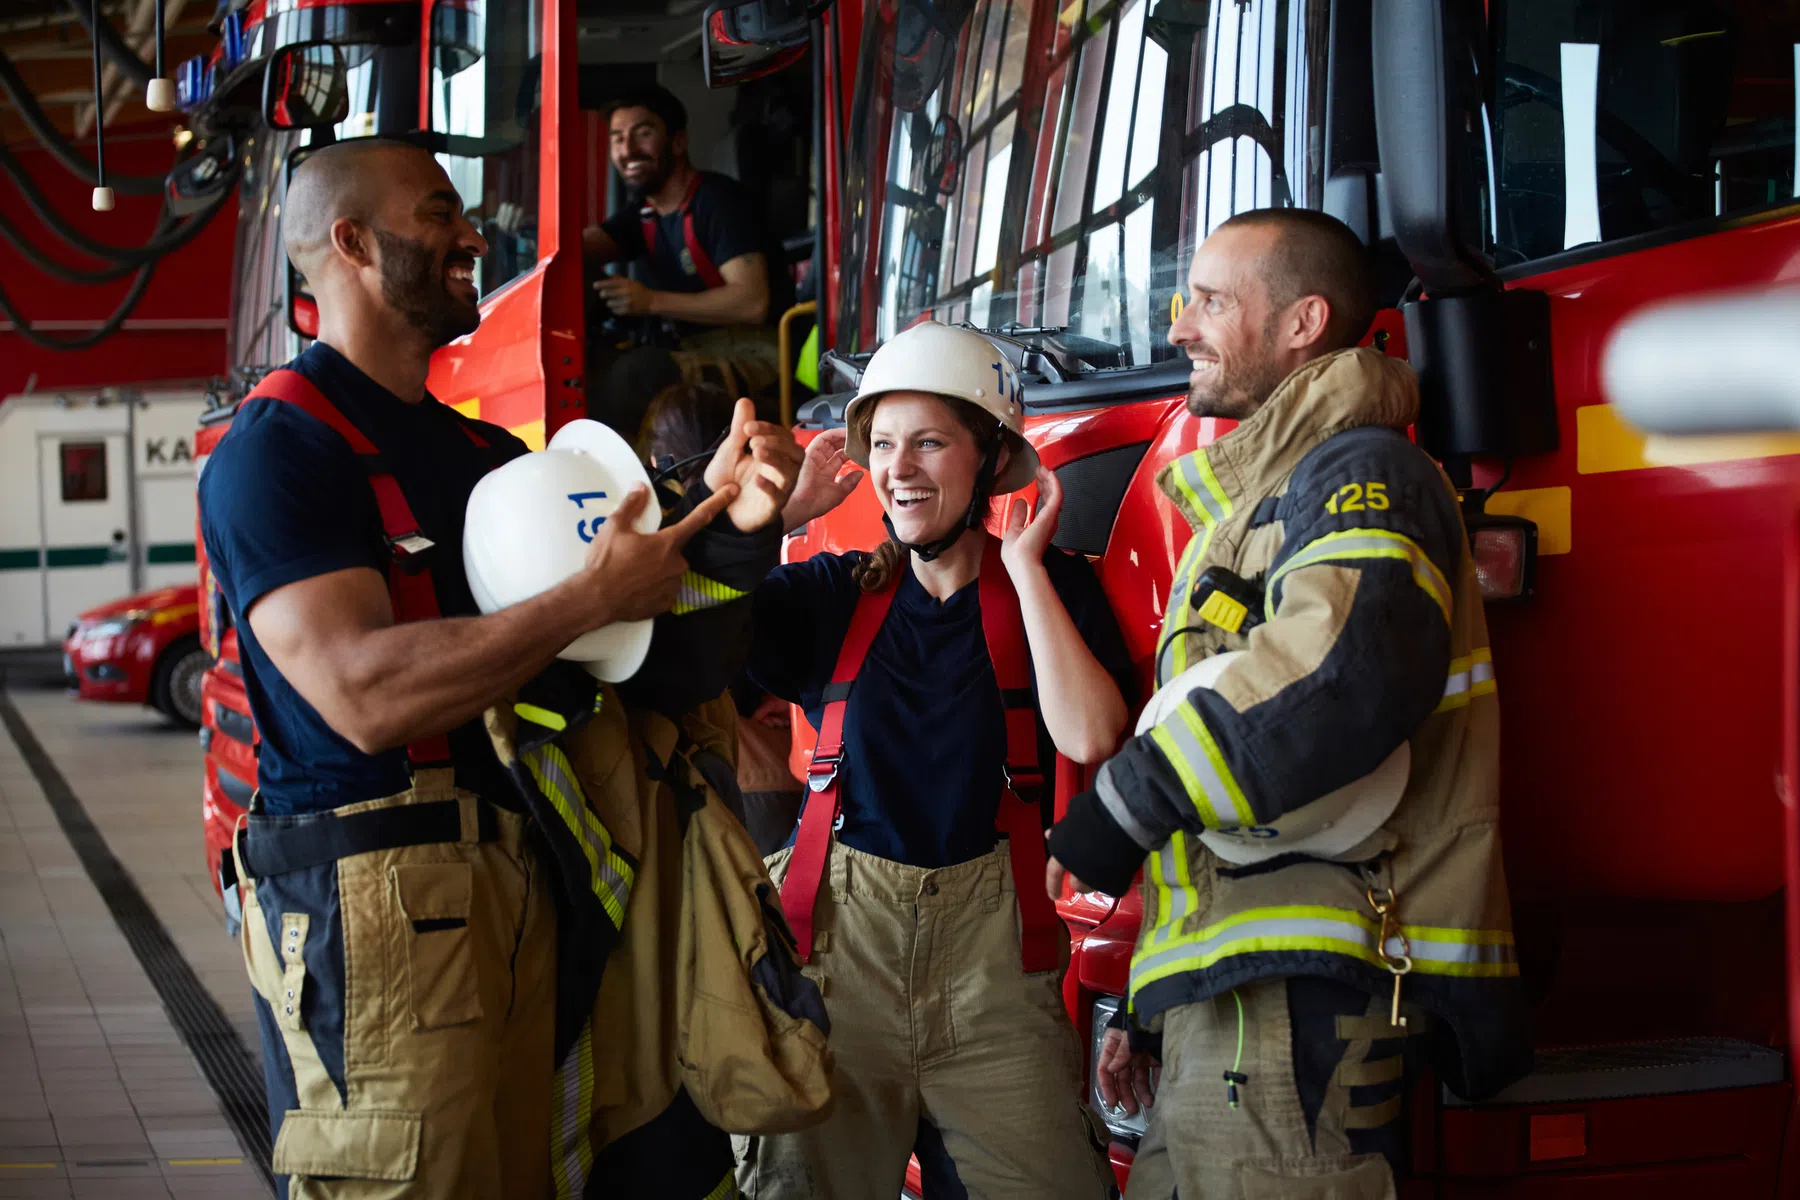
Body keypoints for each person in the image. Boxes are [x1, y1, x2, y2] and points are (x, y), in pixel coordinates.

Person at [198, 137, 775, 1198]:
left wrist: (734, 529)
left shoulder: (488, 463)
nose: (474, 237)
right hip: (372, 913)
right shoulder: (279, 451)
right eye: (439, 215)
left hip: (521, 884)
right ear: (354, 243)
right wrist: (587, 598)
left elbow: (641, 664)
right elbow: (365, 692)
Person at [1044, 209, 1530, 1197]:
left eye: (1213, 300)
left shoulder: (1363, 472)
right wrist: (1150, 998)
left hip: (1302, 1001)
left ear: (1304, 323)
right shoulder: (1258, 503)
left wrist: (1125, 805)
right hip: (1229, 1005)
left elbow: (1339, 674)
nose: (1180, 326)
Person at [738, 321, 1133, 1198]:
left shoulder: (1052, 588)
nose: (900, 468)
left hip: (996, 990)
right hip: (839, 974)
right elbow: (678, 648)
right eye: (882, 443)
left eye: (929, 442)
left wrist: (1026, 569)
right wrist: (774, 527)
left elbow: (1091, 736)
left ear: (992, 459)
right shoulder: (829, 595)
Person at [583, 86, 782, 441]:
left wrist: (650, 302)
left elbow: (752, 302)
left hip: (759, 351)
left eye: (643, 134)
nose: (627, 151)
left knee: (636, 376)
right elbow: (579, 249)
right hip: (690, 349)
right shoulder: (644, 214)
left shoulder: (717, 202)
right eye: (618, 138)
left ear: (677, 142)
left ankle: (660, 487)